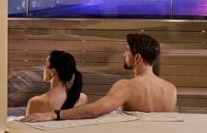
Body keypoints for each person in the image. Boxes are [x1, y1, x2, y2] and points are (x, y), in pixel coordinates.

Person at [22, 33, 176, 122]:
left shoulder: (127, 86)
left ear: (137, 58)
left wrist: (53, 114)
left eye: (127, 50)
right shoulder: (170, 89)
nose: (123, 54)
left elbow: (93, 111)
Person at [26, 50, 88, 116]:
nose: (43, 68)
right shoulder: (82, 98)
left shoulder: (36, 102)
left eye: (45, 64)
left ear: (53, 71)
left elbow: (27, 126)